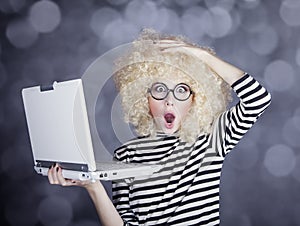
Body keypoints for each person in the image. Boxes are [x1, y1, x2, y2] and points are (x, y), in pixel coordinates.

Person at [47, 29, 271, 226]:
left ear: (196, 99)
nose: (169, 100)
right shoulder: (126, 154)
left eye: (182, 90)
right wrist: (93, 188)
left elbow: (258, 100)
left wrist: (202, 56)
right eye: (160, 89)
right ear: (145, 97)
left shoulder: (211, 138)